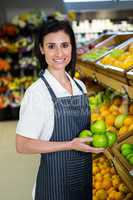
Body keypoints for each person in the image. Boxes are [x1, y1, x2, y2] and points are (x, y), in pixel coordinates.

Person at [16, 19, 104, 200]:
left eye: (64, 45)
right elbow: (22, 145)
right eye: (51, 46)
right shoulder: (37, 92)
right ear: (41, 49)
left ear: (72, 47)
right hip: (54, 187)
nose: (59, 53)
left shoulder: (80, 86)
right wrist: (70, 144)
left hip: (83, 182)